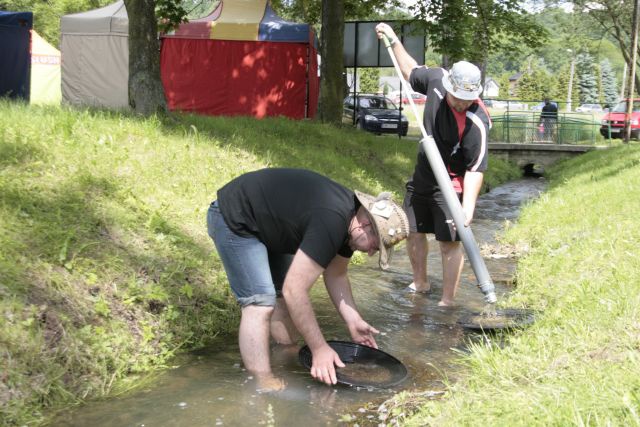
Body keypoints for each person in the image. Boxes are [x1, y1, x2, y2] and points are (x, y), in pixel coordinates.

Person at [207, 168, 409, 390]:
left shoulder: (350, 223)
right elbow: (295, 290)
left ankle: (286, 355)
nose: (371, 253)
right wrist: (319, 348)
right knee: (260, 303)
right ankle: (261, 382)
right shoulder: (332, 221)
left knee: (280, 297)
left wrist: (353, 319)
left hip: (268, 225)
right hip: (236, 218)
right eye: (375, 246)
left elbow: (337, 274)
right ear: (365, 226)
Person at [375, 23, 490, 306]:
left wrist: (467, 207)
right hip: (423, 175)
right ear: (449, 86)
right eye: (457, 98)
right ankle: (420, 282)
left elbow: (475, 169)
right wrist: (393, 39)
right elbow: (409, 70)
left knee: (449, 243)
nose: (461, 104)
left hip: (451, 185)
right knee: (414, 231)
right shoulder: (437, 79)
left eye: (467, 99)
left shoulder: (477, 122)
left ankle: (447, 300)